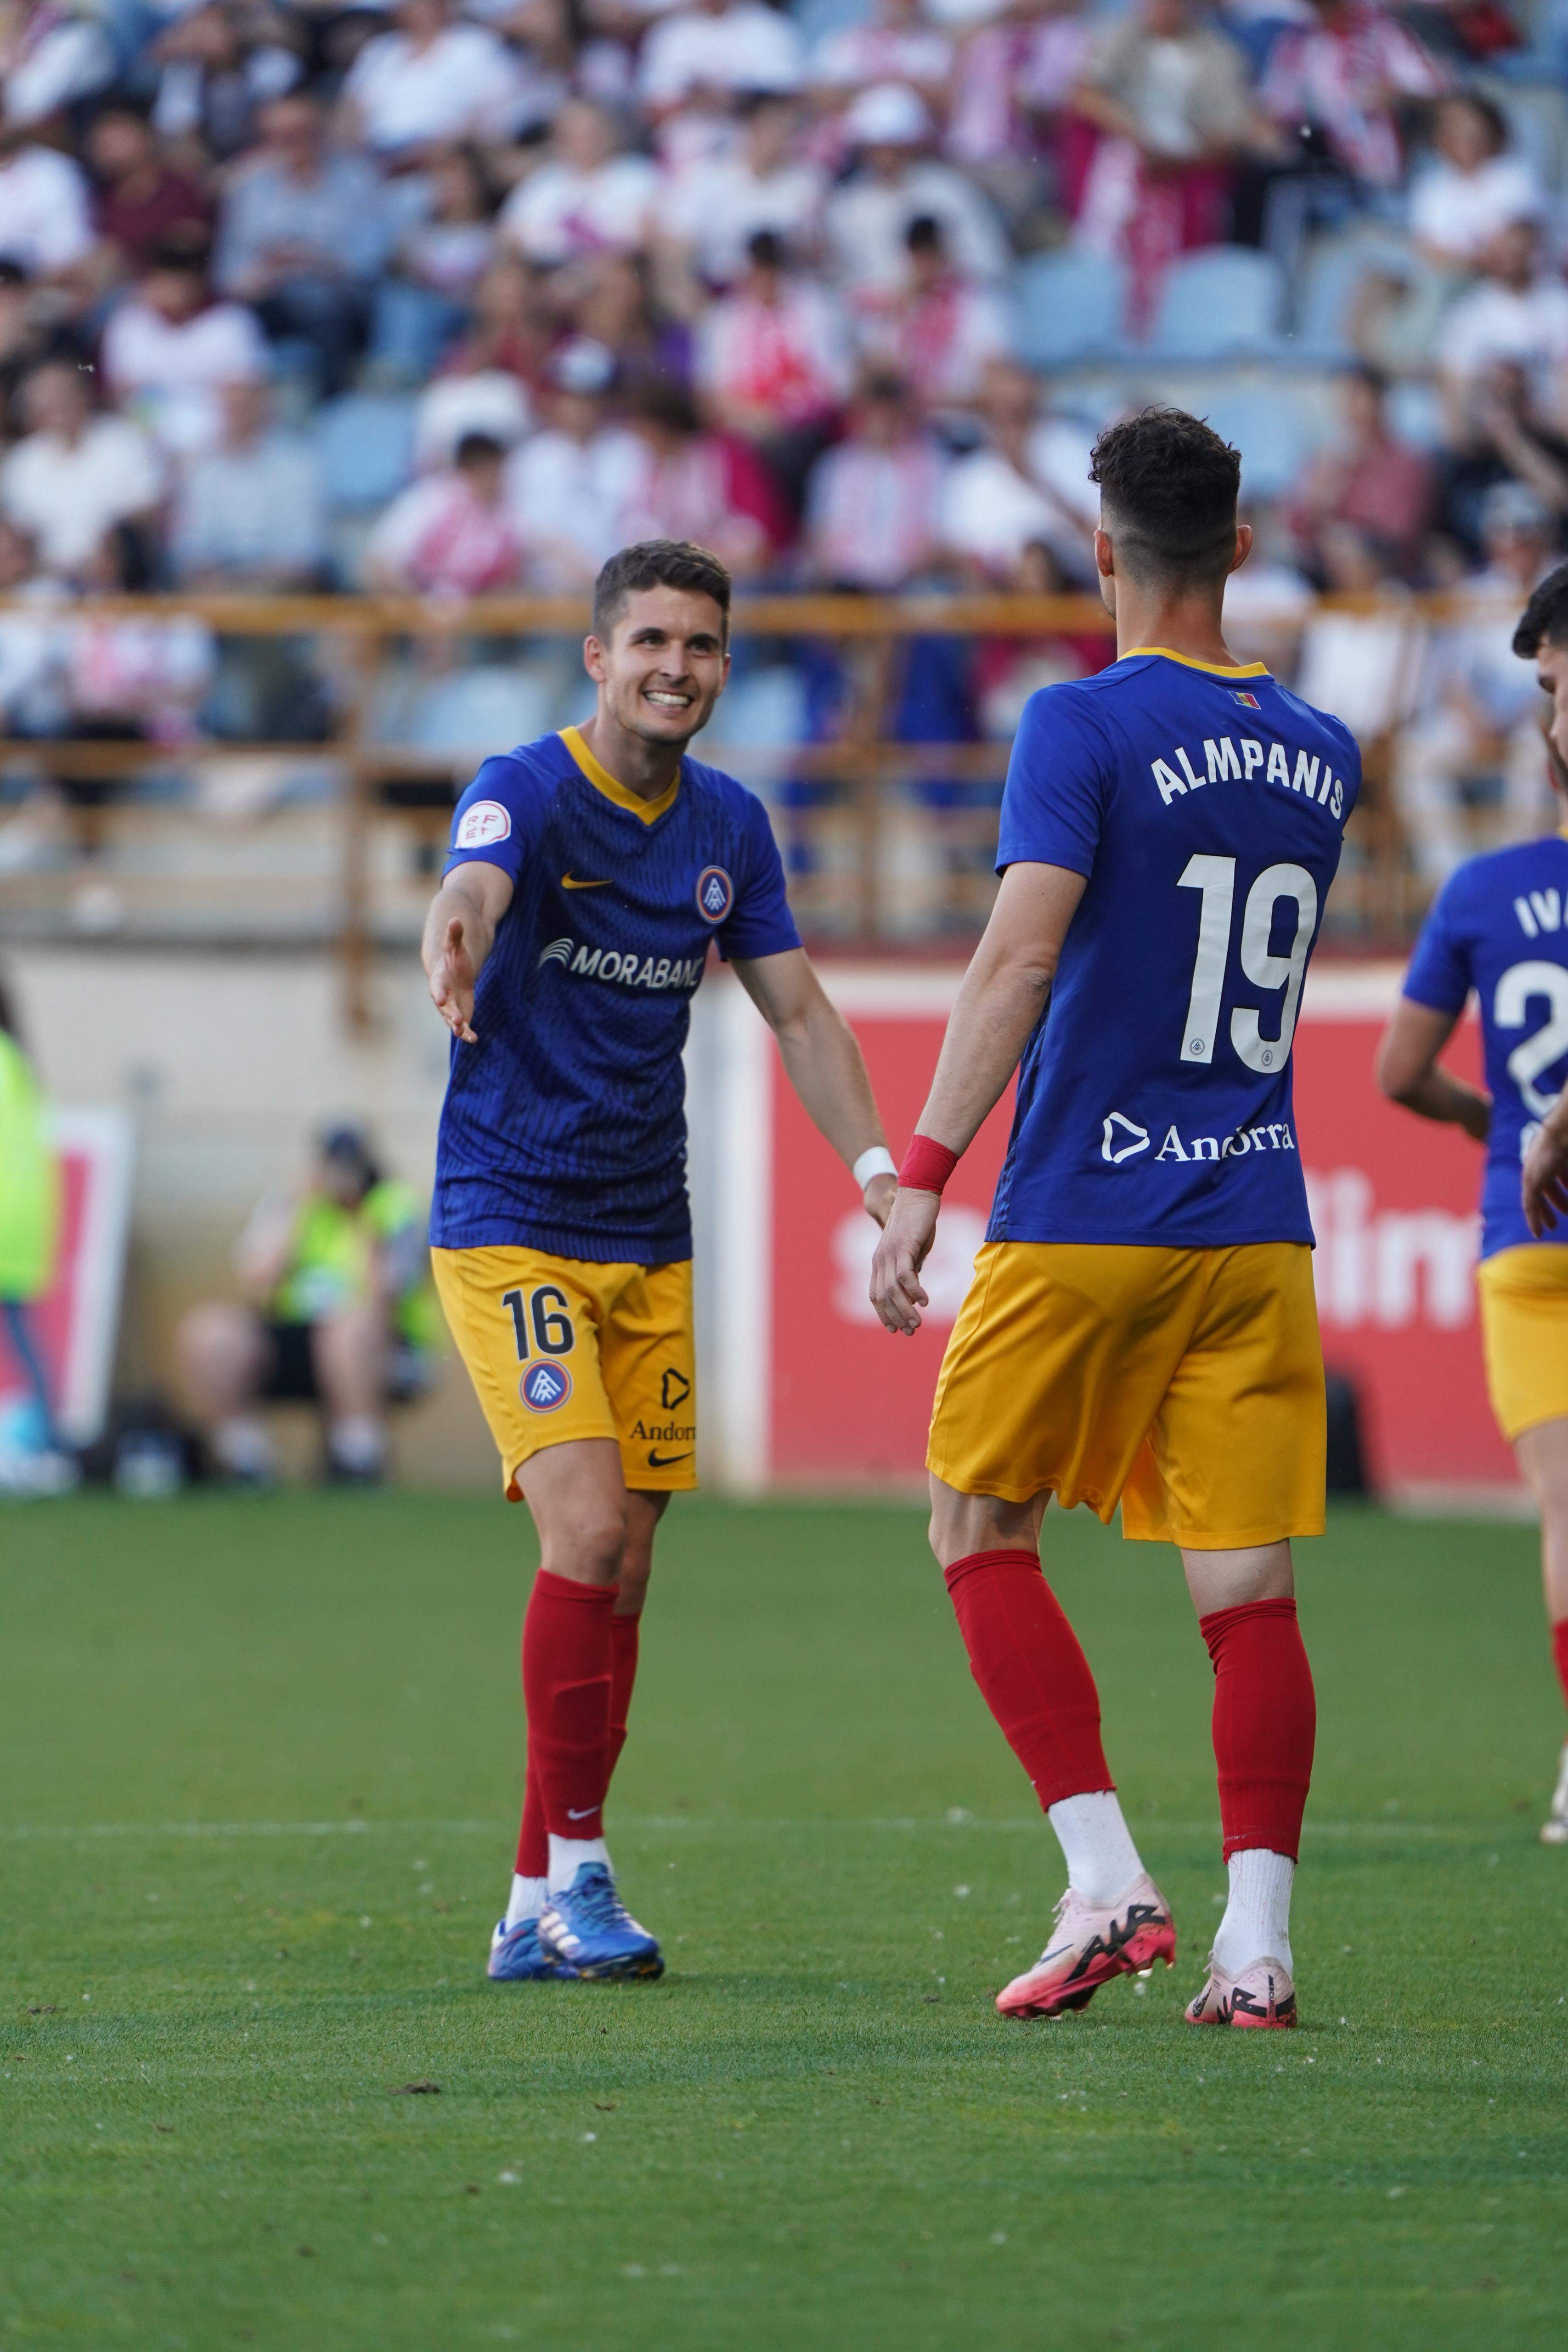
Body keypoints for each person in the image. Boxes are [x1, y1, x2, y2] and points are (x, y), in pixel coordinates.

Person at [870, 407, 1360, 2030]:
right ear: (1239, 542)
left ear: (1099, 553)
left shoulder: (1077, 725)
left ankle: (1103, 1882)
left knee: (972, 1525)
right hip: (1255, 1217)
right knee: (1250, 1594)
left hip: (1087, 1205)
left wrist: (923, 1174)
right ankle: (1258, 1948)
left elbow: (1018, 959)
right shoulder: (1320, 749)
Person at [421, 536, 897, 1984]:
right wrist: (452, 937)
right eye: (651, 642)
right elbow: (476, 883)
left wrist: (882, 1173)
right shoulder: (529, 784)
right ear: (597, 655)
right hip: (510, 1221)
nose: (675, 667)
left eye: (700, 645)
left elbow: (801, 1014)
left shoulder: (731, 827)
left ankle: (526, 1899)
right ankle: (579, 1869)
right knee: (585, 1533)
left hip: (648, 1236)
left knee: (621, 1574)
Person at [1378, 560, 1568, 1845]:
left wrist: (1507, 1127)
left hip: (1526, 1235)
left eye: (1553, 688)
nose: (1547, 721)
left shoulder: (1480, 894)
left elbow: (1397, 1073)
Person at [175, 1125, 439, 1487]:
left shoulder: (393, 1206)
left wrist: (362, 1221)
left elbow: (390, 1290)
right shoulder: (293, 1203)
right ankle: (244, 1459)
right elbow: (257, 1279)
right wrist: (296, 1214)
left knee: (348, 1333)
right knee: (212, 1332)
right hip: (292, 1337)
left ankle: (359, 1457)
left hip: (380, 1346)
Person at [0, 974, 69, 1497]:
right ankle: (49, 1444)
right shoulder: (16, 1060)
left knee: (21, 1337)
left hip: (9, 1219)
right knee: (22, 1336)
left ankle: (42, 1445)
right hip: (24, 1223)